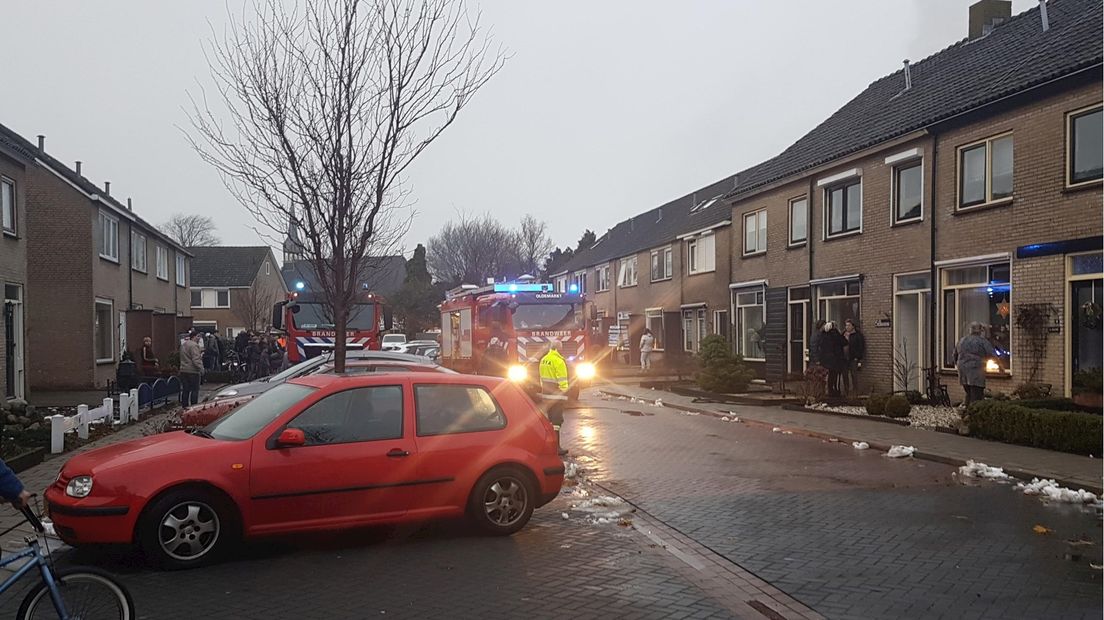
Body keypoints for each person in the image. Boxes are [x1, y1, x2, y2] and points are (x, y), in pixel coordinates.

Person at [539, 340, 570, 456]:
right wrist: (564, 391)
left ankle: (550, 446)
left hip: (546, 395)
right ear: (558, 348)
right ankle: (556, 448)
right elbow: (562, 380)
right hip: (556, 395)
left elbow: (541, 378)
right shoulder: (558, 361)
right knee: (557, 422)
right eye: (561, 348)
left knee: (551, 421)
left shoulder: (544, 360)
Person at [954, 322, 996, 406]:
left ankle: (966, 410)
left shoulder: (962, 340)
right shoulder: (982, 341)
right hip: (976, 371)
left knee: (968, 392)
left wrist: (958, 364)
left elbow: (955, 355)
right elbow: (992, 354)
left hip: (962, 370)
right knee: (976, 395)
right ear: (980, 331)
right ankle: (973, 413)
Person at [820, 321, 848, 397]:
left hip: (827, 359)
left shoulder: (823, 335)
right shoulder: (835, 334)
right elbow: (844, 342)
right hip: (836, 359)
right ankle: (834, 390)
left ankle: (830, 390)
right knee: (834, 375)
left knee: (830, 375)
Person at [179, 332, 203, 407]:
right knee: (194, 390)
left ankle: (184, 406)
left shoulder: (183, 345)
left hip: (183, 370)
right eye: (198, 336)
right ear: (194, 337)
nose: (199, 338)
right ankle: (193, 407)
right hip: (193, 371)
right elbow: (196, 359)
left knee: (185, 390)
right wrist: (201, 368)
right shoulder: (194, 345)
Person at [842, 319, 866, 396]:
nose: (847, 327)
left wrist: (858, 357)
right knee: (845, 375)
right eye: (846, 325)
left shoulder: (858, 335)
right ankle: (846, 392)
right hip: (844, 359)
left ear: (853, 326)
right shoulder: (843, 334)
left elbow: (861, 347)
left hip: (853, 358)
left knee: (854, 375)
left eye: (848, 325)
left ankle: (855, 392)